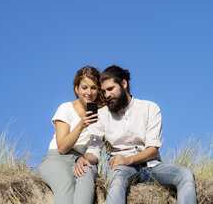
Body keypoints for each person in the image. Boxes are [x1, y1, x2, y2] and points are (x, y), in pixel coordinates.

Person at [75, 65, 197, 204]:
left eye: (110, 89)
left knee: (185, 174)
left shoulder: (150, 108)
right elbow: (94, 149)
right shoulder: (101, 115)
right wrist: (84, 159)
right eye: (104, 91)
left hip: (152, 166)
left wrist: (127, 160)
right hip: (121, 169)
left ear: (124, 84)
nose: (107, 95)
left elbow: (152, 150)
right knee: (116, 182)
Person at [38, 66, 105, 204]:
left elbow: (96, 148)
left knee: (86, 182)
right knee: (66, 181)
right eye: (84, 87)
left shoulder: (102, 114)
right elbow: (62, 147)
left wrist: (85, 160)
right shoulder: (65, 108)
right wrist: (81, 125)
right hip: (57, 157)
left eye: (93, 88)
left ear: (98, 90)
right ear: (76, 89)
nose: (89, 92)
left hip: (83, 159)